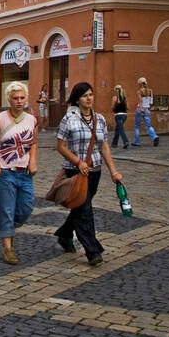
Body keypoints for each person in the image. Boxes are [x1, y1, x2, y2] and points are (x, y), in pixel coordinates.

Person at [55, 82, 124, 266]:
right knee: (84, 210)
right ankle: (92, 251)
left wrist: (113, 171)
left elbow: (104, 146)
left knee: (80, 207)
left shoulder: (99, 119)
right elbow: (60, 146)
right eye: (85, 95)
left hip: (94, 171)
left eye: (91, 95)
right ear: (77, 99)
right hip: (74, 170)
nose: (89, 98)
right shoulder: (69, 119)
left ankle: (64, 234)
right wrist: (78, 162)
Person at [0, 81, 38, 266]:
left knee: (26, 207)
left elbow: (33, 142)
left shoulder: (31, 120)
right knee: (5, 210)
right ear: (9, 99)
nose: (19, 101)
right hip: (4, 172)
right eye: (15, 98)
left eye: (22, 98)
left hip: (24, 173)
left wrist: (32, 161)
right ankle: (8, 248)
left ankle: (8, 229)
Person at [133, 76, 159, 147]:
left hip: (140, 110)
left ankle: (136, 142)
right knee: (149, 126)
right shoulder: (150, 90)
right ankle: (155, 137)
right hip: (147, 110)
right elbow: (151, 102)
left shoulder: (139, 91)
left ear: (139, 83)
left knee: (137, 126)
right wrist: (147, 108)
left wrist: (141, 109)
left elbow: (140, 101)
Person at [111, 85, 130, 149]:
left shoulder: (114, 97)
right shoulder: (124, 97)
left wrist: (116, 107)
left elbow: (112, 107)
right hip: (124, 115)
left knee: (121, 129)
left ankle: (125, 141)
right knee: (118, 129)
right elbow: (128, 107)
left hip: (118, 115)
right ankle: (114, 143)